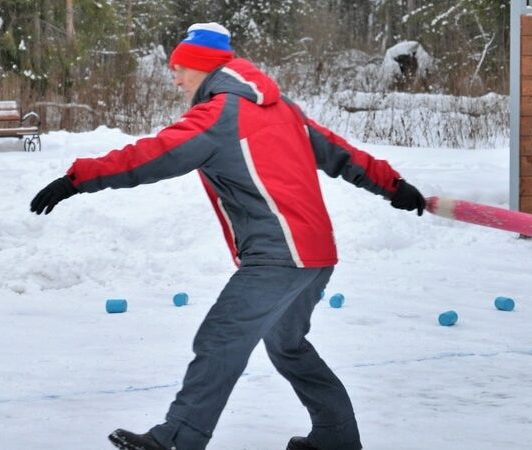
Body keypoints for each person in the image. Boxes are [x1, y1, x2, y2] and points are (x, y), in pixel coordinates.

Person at [30, 22, 425, 450]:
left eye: (180, 69)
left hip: (278, 256)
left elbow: (154, 155)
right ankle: (335, 437)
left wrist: (79, 178)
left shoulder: (219, 114)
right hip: (315, 256)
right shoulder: (282, 108)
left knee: (220, 339)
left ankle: (179, 439)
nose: (176, 79)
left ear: (203, 67)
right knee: (287, 345)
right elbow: (342, 153)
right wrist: (393, 185)